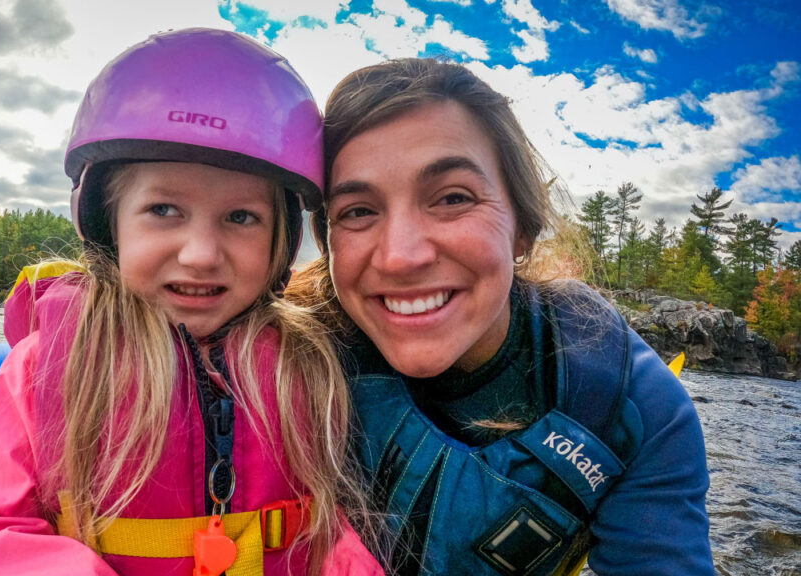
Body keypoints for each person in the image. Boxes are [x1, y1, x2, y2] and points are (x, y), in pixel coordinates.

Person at [0, 28, 381, 576]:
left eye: (241, 218)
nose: (199, 254)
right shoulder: (45, 367)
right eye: (165, 210)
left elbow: (332, 530)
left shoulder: (306, 366)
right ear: (108, 225)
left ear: (279, 243)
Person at [286, 58, 714, 575]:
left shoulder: (624, 405)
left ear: (521, 228)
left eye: (452, 198)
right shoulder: (272, 361)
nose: (400, 256)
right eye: (357, 211)